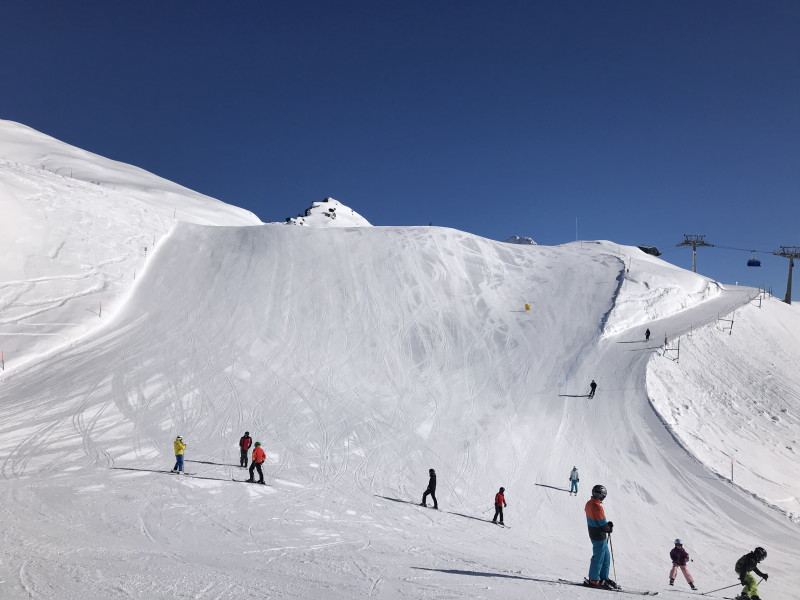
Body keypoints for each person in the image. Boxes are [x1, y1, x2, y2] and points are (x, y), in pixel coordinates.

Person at [583, 484, 617, 590]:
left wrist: (606, 526)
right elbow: (603, 525)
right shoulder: (597, 507)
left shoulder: (589, 503)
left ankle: (603, 578)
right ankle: (594, 579)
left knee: (606, 557)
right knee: (599, 557)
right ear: (600, 495)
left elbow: (597, 520)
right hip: (598, 536)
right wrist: (609, 527)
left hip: (595, 534)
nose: (603, 498)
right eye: (603, 496)